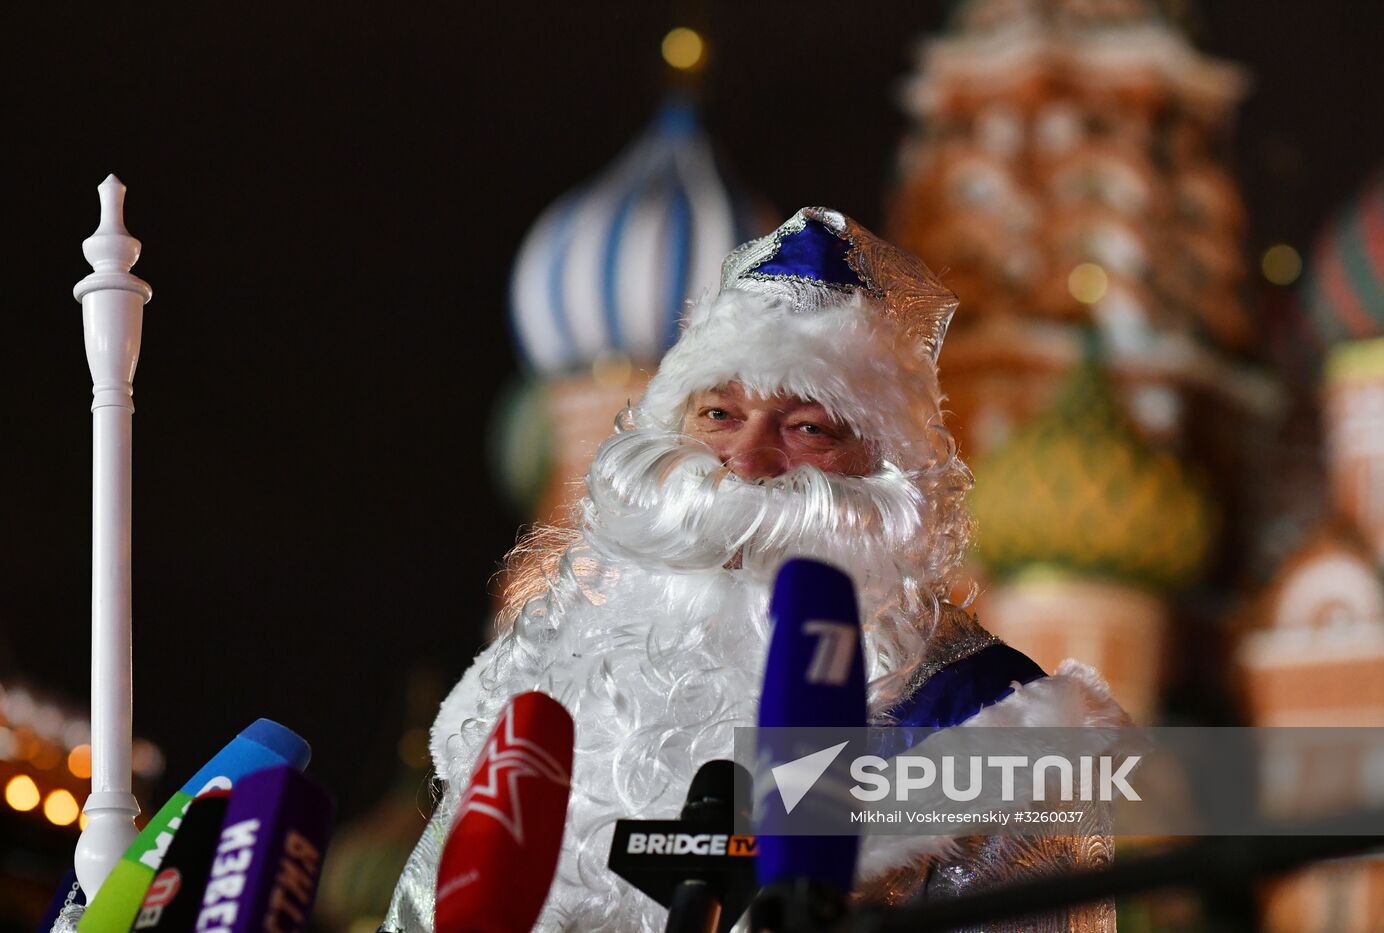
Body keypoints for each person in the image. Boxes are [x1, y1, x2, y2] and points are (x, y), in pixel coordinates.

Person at [383, 207, 1127, 931]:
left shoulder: (986, 718)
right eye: (717, 415)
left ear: (890, 472)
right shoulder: (545, 690)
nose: (746, 460)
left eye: (807, 427)